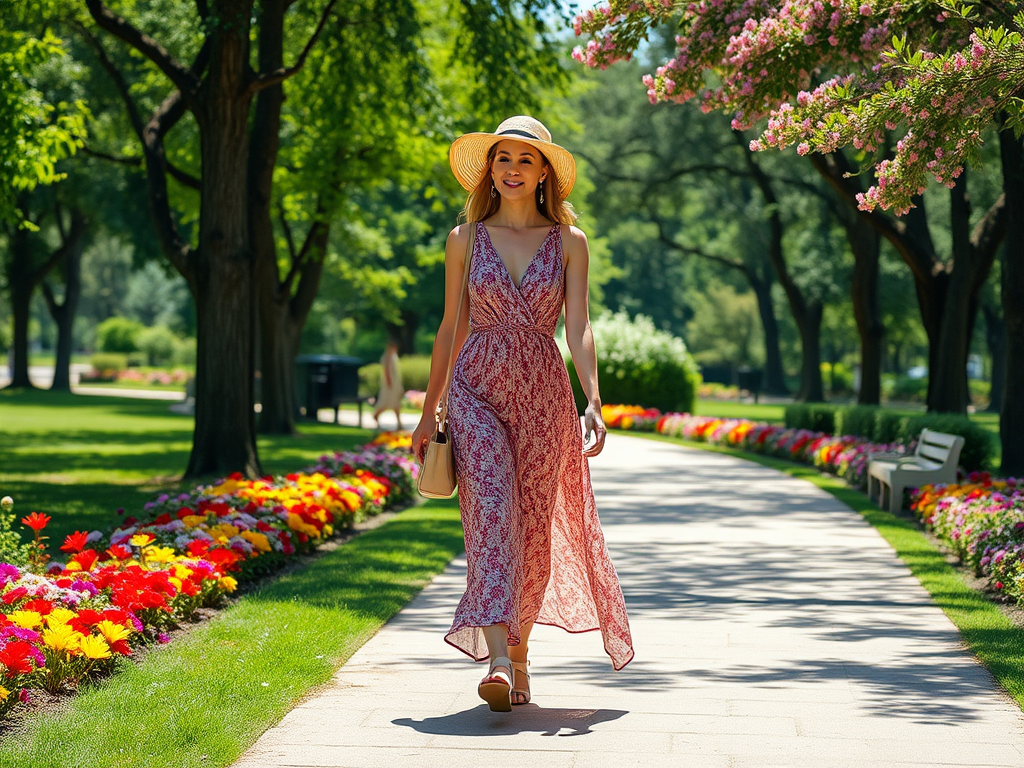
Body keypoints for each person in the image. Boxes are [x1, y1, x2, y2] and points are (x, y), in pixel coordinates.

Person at [412, 116, 634, 713]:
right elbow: (449, 328)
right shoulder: (464, 238)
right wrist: (429, 410)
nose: (511, 168)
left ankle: (521, 654)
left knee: (533, 530)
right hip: (476, 389)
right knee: (491, 512)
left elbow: (579, 326)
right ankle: (499, 663)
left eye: (525, 159)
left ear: (543, 175)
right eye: (502, 157)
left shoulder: (570, 244)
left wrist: (592, 399)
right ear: (491, 169)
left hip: (543, 396)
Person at [372, 338, 404, 430]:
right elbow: (387, 370)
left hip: (394, 384)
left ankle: (399, 423)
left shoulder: (393, 355)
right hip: (389, 385)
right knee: (385, 403)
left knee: (396, 404)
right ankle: (376, 415)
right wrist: (389, 381)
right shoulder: (387, 356)